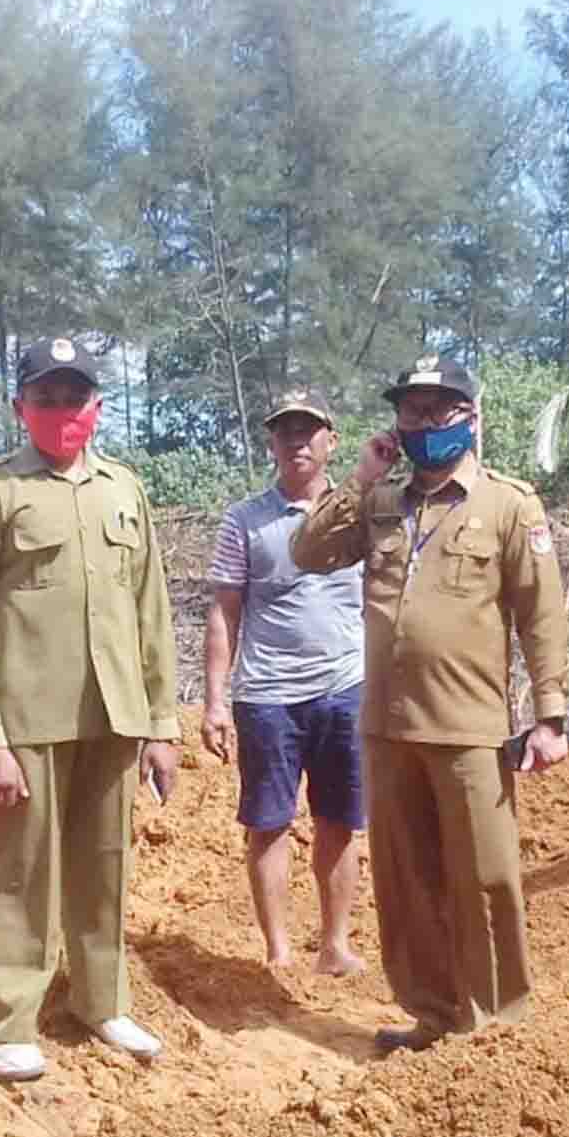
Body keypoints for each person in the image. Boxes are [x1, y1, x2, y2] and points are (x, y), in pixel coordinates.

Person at [290, 353, 569, 1056]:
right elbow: (308, 551)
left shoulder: (508, 505)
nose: (422, 422)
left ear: (469, 419)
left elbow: (541, 615)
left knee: (483, 880)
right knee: (407, 881)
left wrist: (551, 714)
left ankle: (496, 1028)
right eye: (411, 411)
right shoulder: (382, 502)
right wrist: (359, 478)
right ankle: (434, 1016)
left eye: (438, 409)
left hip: (468, 728)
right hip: (387, 728)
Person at [0, 336, 181, 1082]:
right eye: (45, 398)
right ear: (21, 407)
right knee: (21, 871)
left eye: (73, 397)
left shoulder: (123, 489)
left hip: (113, 715)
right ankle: (10, 1019)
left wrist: (160, 724)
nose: (61, 411)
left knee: (104, 865)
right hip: (27, 717)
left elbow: (152, 611)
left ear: (97, 407)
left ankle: (100, 1000)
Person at [203, 388, 368, 975]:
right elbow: (224, 613)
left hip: (347, 689)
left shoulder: (360, 517)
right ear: (271, 442)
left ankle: (335, 944)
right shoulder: (245, 521)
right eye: (285, 431)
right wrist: (216, 701)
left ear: (332, 440)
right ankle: (278, 951)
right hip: (268, 697)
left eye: (309, 430)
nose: (297, 441)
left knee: (340, 821)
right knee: (270, 823)